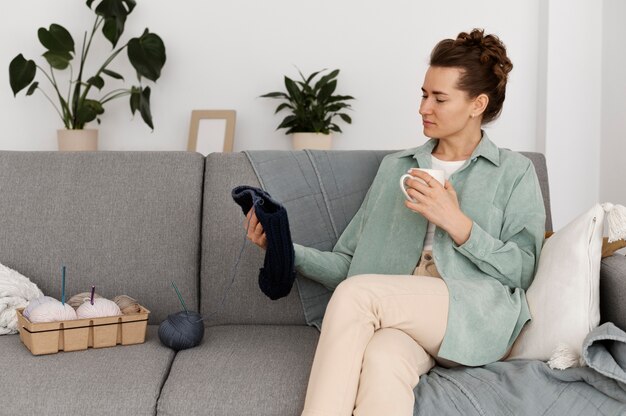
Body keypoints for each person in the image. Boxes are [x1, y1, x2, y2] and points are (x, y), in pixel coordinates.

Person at [245, 28, 546, 416]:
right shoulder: (397, 168)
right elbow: (349, 266)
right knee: (382, 359)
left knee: (357, 295)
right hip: (401, 315)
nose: (424, 108)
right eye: (423, 94)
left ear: (477, 104)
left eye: (439, 98)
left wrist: (457, 224)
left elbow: (523, 271)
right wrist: (282, 248)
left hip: (475, 317)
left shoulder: (515, 172)